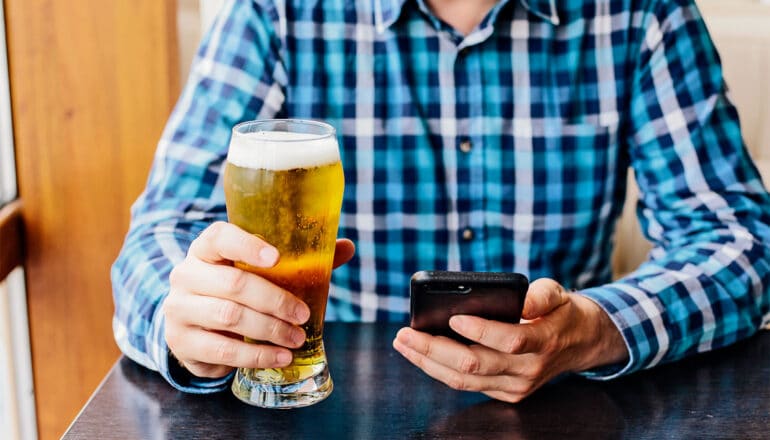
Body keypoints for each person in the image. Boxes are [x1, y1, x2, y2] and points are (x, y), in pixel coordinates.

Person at [112, 0, 770, 402]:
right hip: (327, 402)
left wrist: (598, 328)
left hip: (567, 400)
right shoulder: (276, 10)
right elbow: (158, 237)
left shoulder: (639, 10)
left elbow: (741, 239)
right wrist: (189, 320)